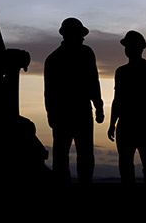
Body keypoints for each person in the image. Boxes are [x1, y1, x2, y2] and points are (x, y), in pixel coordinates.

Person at [44, 17, 104, 183]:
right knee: (77, 154)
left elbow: (49, 92)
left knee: (66, 155)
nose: (83, 38)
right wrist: (98, 107)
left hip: (68, 113)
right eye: (80, 34)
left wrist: (51, 114)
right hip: (76, 113)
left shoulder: (54, 58)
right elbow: (93, 82)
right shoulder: (84, 54)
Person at [107, 30, 146, 184]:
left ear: (139, 48)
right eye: (126, 46)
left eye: (130, 46)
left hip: (144, 122)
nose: (128, 49)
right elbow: (117, 100)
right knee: (127, 165)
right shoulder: (121, 72)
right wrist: (112, 124)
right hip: (128, 124)